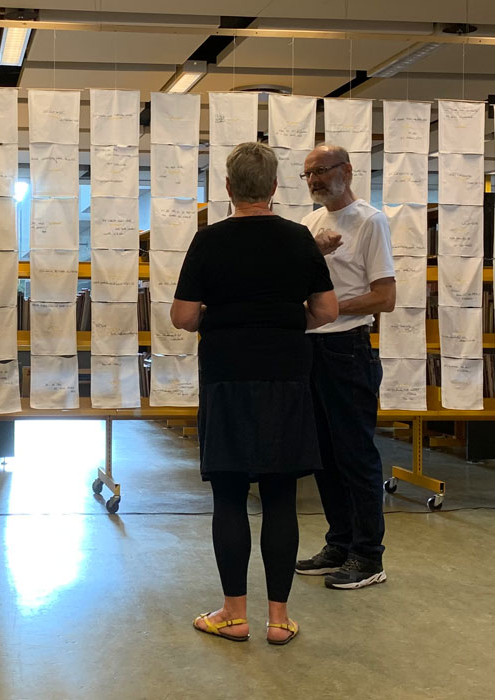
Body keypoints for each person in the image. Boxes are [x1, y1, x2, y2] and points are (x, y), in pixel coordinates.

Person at [171, 142, 338, 645]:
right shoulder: (298, 239)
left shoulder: (209, 240)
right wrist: (284, 320)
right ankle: (280, 620)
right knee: (280, 496)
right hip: (286, 376)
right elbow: (327, 311)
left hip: (227, 377)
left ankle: (233, 614)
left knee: (228, 494)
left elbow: (183, 316)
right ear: (274, 187)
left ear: (227, 188)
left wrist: (217, 318)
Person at [296, 144, 396, 590]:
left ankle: (368, 555)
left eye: (321, 171)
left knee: (355, 454)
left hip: (348, 348)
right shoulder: (309, 224)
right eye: (308, 174)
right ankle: (339, 543)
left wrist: (330, 310)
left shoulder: (370, 221)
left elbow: (384, 297)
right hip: (311, 349)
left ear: (347, 171)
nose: (315, 180)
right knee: (324, 456)